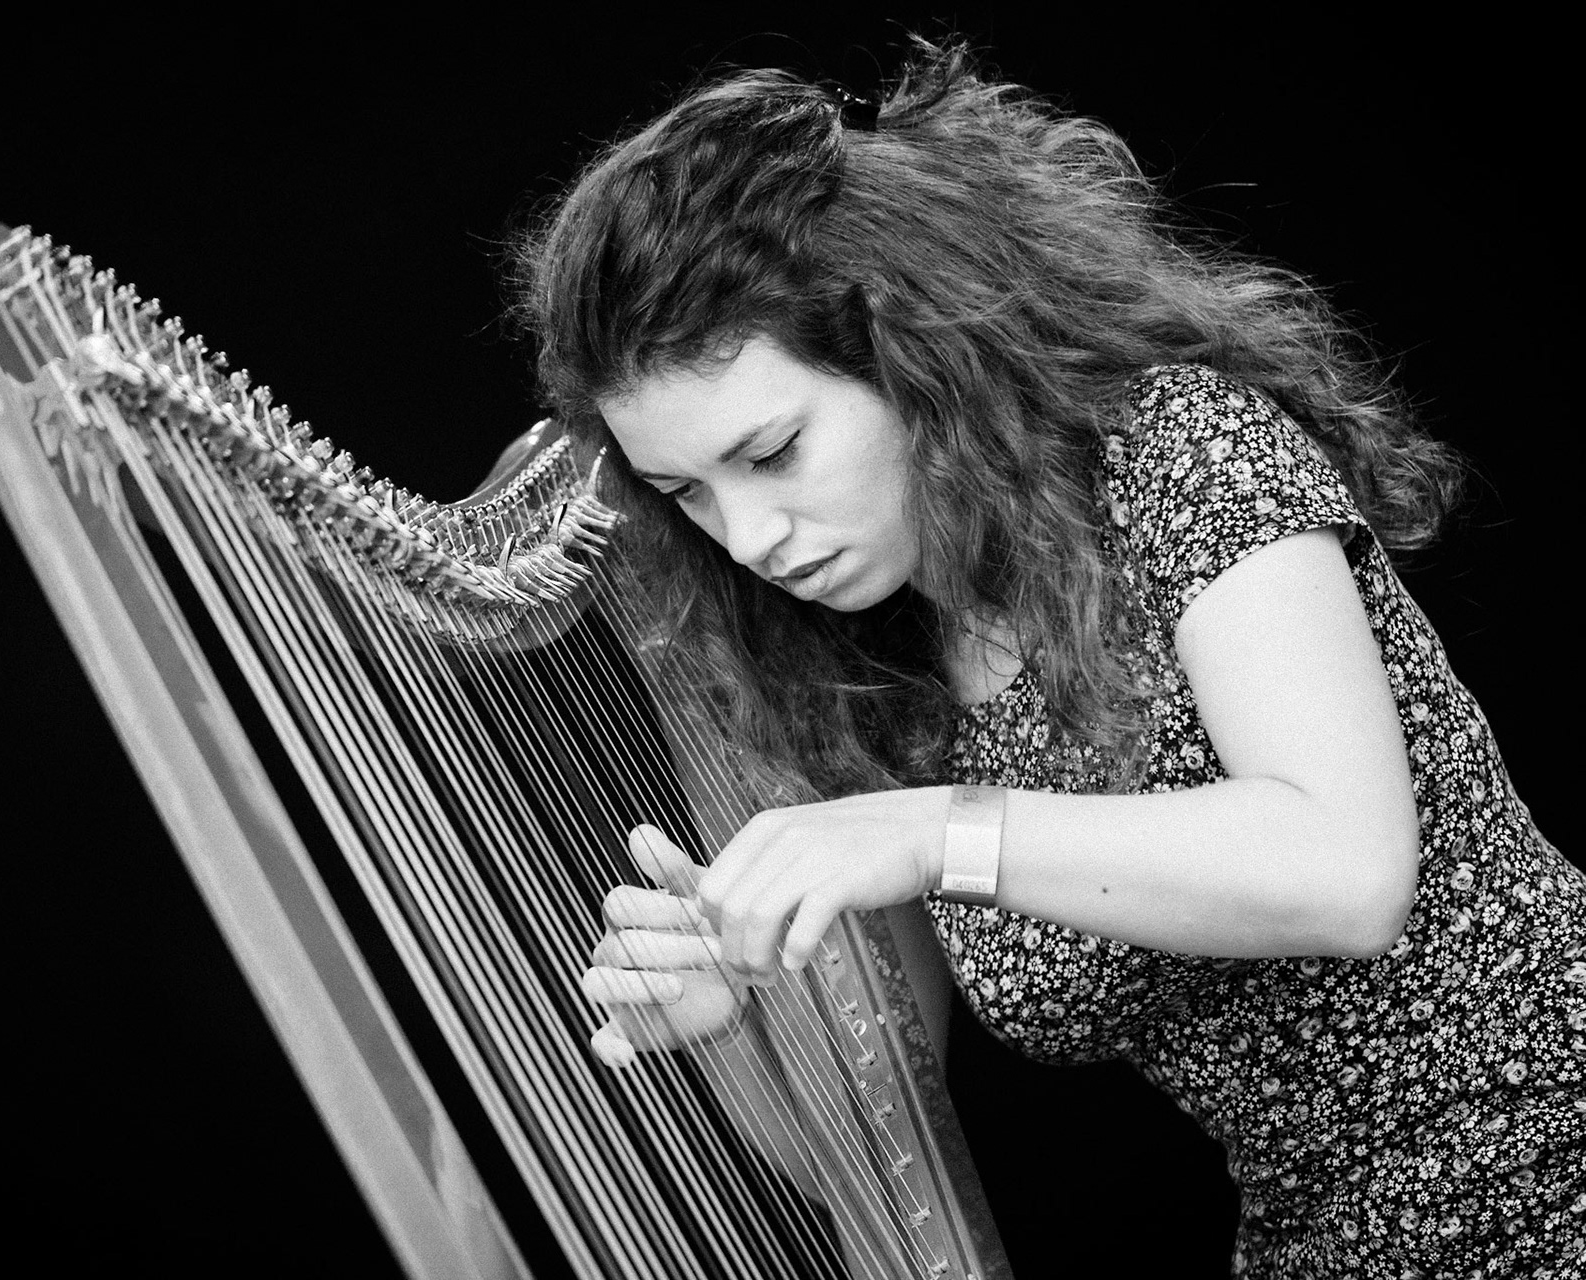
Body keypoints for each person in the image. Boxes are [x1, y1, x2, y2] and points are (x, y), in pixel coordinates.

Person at [511, 37, 1584, 1278]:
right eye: (684, 492)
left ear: (911, 354)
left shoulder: (1180, 451)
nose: (749, 537)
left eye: (774, 451)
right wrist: (729, 1013)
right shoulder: (878, 682)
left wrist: (934, 829)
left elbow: (1344, 868)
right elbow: (870, 1143)